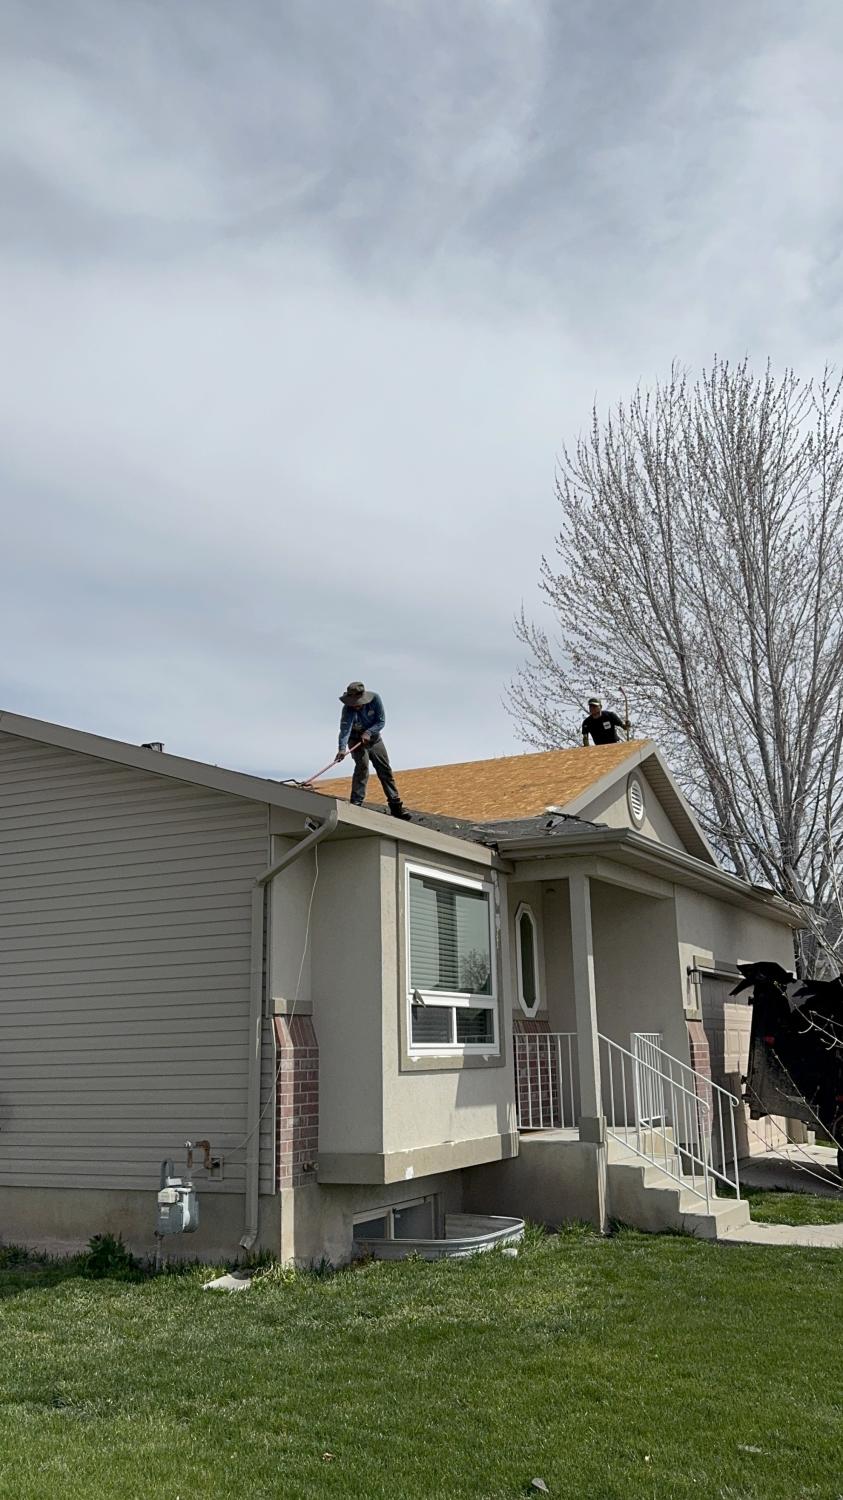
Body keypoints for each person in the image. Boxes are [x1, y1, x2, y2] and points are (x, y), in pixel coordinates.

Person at [335, 682, 411, 818]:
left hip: (374, 739)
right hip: (355, 740)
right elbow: (345, 730)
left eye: (358, 702)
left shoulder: (375, 699)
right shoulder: (347, 709)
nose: (356, 705)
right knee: (362, 767)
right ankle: (356, 804)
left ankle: (395, 806)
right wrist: (341, 749)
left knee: (385, 769)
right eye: (353, 703)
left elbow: (381, 721)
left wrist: (369, 732)